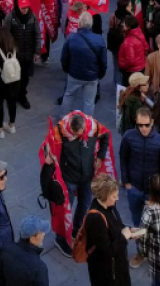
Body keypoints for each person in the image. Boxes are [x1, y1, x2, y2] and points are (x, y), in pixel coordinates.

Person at [119, 106, 160, 268]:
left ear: (152, 122)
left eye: (146, 125)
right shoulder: (129, 137)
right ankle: (141, 253)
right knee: (137, 223)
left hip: (153, 193)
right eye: (140, 125)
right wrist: (127, 182)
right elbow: (123, 158)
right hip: (134, 189)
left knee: (155, 225)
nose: (143, 128)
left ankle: (156, 252)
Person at [53, 111, 110, 258]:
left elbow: (106, 136)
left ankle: (76, 230)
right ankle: (60, 239)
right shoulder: (60, 130)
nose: (78, 137)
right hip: (69, 177)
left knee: (84, 204)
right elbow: (50, 147)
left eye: (80, 134)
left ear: (85, 128)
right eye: (74, 134)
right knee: (65, 210)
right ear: (70, 128)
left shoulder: (93, 127)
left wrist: (100, 157)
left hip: (87, 176)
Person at [84, 175, 133, 286]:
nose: (117, 199)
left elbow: (116, 225)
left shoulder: (110, 205)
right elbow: (107, 251)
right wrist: (123, 237)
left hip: (118, 267)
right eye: (114, 196)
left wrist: (129, 231)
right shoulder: (95, 219)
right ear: (104, 196)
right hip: (108, 276)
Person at [61, 11, 107, 116]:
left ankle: (63, 121)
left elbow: (64, 58)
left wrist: (67, 70)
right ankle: (87, 125)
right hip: (91, 76)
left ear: (79, 23)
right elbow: (103, 62)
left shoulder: (71, 38)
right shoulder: (99, 40)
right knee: (89, 102)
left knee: (68, 96)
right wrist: (100, 74)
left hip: (74, 74)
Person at [2, 0, 41, 109]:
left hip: (28, 54)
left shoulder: (33, 17)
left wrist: (36, 51)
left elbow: (37, 35)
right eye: (23, 7)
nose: (25, 9)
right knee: (13, 77)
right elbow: (5, 36)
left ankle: (22, 96)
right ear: (17, 7)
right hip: (14, 55)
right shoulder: (10, 17)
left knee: (25, 78)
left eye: (27, 7)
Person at [0, 214, 50, 286]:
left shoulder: (6, 249)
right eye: (41, 232)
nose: (44, 234)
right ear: (32, 239)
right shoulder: (39, 269)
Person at [118, 16, 148, 86]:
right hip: (141, 68)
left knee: (129, 92)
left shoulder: (129, 41)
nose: (122, 24)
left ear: (128, 26)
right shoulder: (139, 33)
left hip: (131, 72)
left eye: (124, 23)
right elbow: (146, 47)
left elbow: (130, 61)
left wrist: (122, 66)